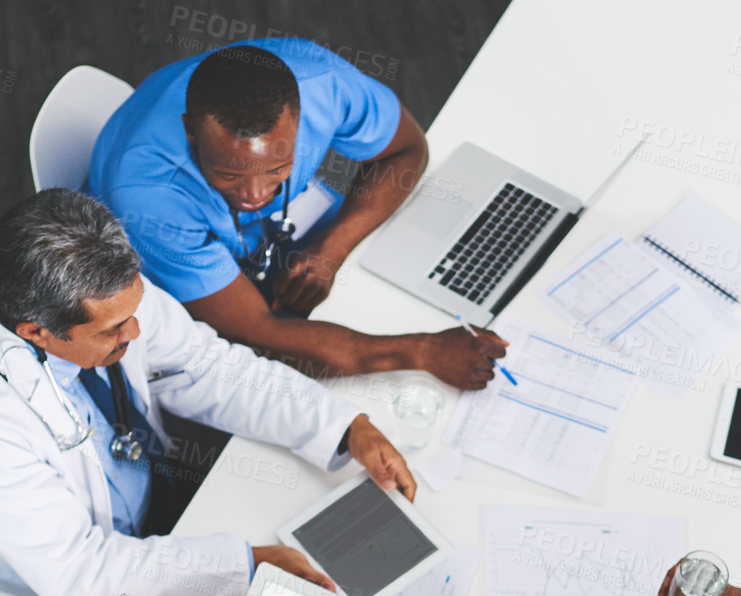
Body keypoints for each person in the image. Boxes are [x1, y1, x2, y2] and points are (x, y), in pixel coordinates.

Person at [0, 188, 414, 596]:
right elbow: (79, 572)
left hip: (144, 510)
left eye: (135, 311)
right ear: (34, 333)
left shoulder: (101, 293)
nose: (134, 333)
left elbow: (205, 364)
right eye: (112, 332)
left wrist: (341, 425)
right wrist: (242, 564)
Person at [89, 40, 507, 388]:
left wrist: (333, 248)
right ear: (190, 133)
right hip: (160, 268)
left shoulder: (326, 85)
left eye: (277, 169)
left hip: (266, 240)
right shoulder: (147, 193)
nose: (254, 194)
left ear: (302, 120)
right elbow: (256, 333)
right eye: (229, 174)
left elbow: (406, 150)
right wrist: (422, 351)